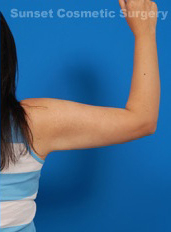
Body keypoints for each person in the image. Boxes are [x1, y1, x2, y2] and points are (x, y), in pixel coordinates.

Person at [0, 0, 160, 231]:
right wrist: (145, 32)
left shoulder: (29, 124)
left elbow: (143, 122)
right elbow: (142, 120)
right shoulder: (32, 124)